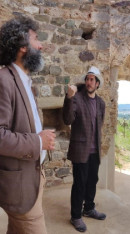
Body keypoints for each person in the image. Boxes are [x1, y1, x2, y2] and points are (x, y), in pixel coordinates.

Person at [0, 15, 56, 234]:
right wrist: (37, 141)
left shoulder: (26, 82)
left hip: (32, 176)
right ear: (22, 45)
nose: (41, 45)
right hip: (19, 184)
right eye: (36, 39)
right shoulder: (4, 79)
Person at [63, 66, 107, 232]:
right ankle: (76, 216)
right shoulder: (76, 98)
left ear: (97, 84)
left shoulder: (101, 103)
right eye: (87, 79)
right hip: (80, 149)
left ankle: (88, 208)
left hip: (95, 150)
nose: (89, 82)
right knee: (79, 183)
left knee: (92, 181)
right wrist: (68, 98)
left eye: (92, 80)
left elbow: (99, 124)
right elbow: (67, 119)